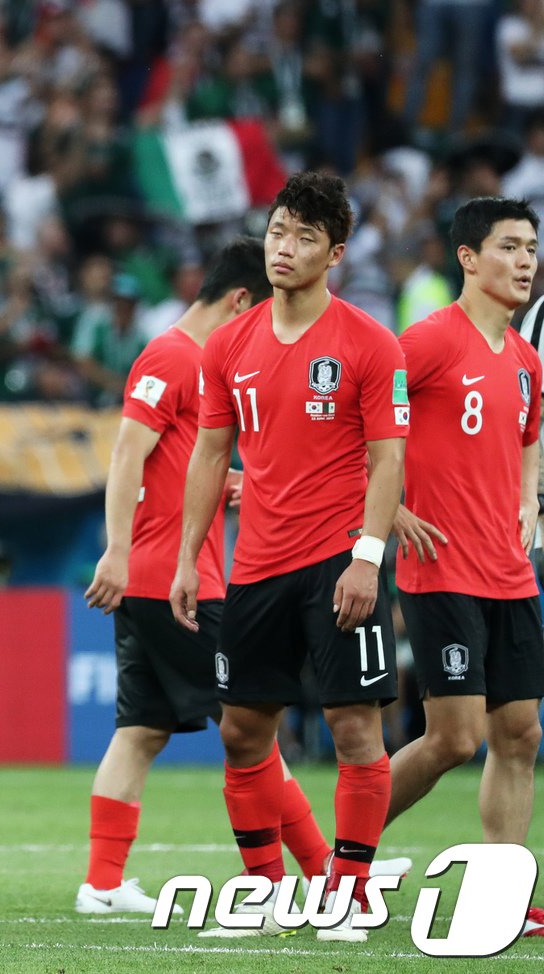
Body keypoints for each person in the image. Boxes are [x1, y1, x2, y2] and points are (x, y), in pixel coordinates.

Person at [79, 238, 409, 915]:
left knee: (141, 729)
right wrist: (116, 549)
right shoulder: (178, 356)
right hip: (174, 577)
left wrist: (244, 480)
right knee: (251, 730)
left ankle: (102, 884)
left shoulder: (177, 355)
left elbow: (181, 460)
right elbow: (126, 453)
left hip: (153, 575)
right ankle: (319, 872)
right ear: (239, 301)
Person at [171, 171, 408, 942]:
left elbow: (388, 460)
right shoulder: (228, 344)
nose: (285, 247)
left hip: (340, 559)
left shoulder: (370, 342)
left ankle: (350, 894)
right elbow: (211, 454)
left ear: (334, 254)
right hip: (257, 566)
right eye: (278, 231)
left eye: (306, 237)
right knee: (242, 733)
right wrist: (188, 558)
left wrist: (368, 557)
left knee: (354, 730)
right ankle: (265, 894)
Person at [387, 197, 544, 934]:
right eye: (509, 246)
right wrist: (389, 511)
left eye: (531, 248)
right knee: (454, 738)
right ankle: (336, 860)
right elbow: (357, 423)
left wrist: (528, 502)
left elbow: (531, 435)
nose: (525, 261)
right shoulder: (427, 341)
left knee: (521, 734)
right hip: (440, 567)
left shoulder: (525, 359)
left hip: (509, 572)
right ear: (468, 257)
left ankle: (499, 897)